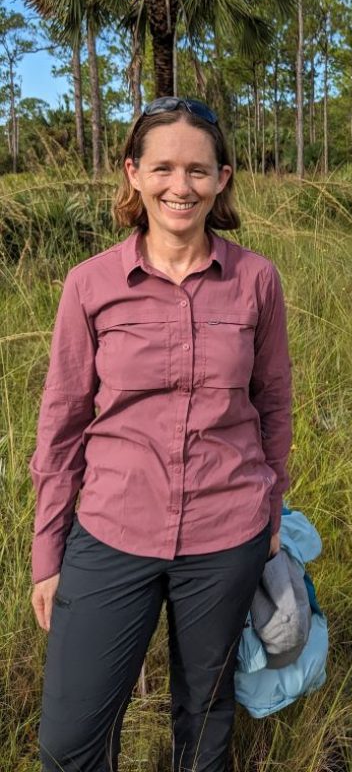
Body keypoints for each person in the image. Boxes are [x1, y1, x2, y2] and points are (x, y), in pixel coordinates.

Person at [29, 97, 293, 772]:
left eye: (200, 170)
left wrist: (268, 509)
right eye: (165, 168)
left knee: (203, 728)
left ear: (223, 179)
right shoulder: (89, 285)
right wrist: (48, 551)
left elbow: (273, 404)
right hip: (113, 528)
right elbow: (61, 425)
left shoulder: (255, 280)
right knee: (69, 739)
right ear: (135, 174)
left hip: (225, 531)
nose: (182, 186)